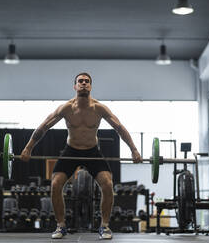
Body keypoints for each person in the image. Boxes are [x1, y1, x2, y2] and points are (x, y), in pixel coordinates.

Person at [21, 72, 142, 239]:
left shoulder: (99, 108)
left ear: (90, 86)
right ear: (75, 86)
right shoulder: (66, 108)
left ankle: (105, 227)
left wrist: (134, 150)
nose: (83, 83)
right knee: (55, 184)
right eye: (80, 81)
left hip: (92, 151)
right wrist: (28, 148)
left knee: (107, 184)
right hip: (71, 150)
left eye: (87, 81)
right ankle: (60, 226)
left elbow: (119, 128)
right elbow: (43, 127)